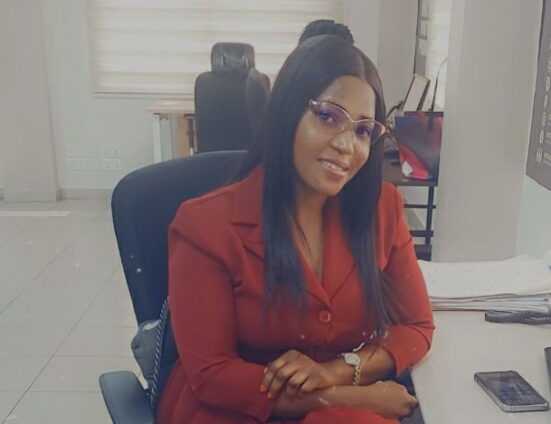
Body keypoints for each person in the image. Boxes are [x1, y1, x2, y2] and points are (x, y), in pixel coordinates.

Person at [157, 35, 434, 424]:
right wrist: (352, 396)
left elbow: (416, 326)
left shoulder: (379, 208)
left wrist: (335, 371)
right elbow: (212, 376)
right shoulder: (205, 225)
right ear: (287, 114)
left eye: (362, 131)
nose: (346, 145)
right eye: (328, 117)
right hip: (231, 407)